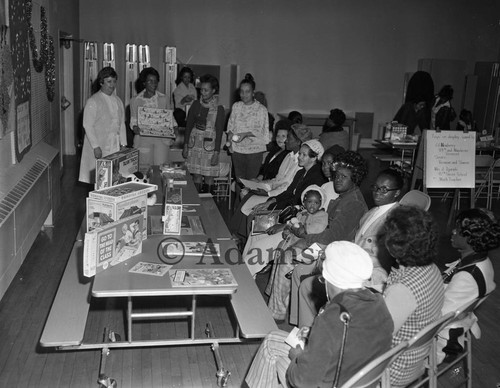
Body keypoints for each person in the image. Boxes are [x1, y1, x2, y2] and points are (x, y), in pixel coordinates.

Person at [245, 241, 394, 388]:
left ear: (330, 279)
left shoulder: (331, 317)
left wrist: (297, 357)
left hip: (325, 382)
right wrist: (314, 334)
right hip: (358, 380)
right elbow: (353, 338)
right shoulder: (379, 303)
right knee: (273, 338)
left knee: (270, 345)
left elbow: (302, 381)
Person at [294, 168, 404, 327]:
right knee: (302, 265)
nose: (378, 193)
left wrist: (339, 261)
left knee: (307, 282)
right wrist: (332, 252)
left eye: (384, 190)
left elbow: (381, 262)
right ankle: (307, 328)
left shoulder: (395, 220)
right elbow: (355, 240)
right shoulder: (373, 211)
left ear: (396, 193)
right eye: (376, 187)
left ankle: (311, 331)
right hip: (353, 261)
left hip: (367, 276)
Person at [285, 151, 369, 324]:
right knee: (293, 259)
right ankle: (298, 322)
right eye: (337, 175)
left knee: (299, 269)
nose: (338, 179)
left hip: (338, 251)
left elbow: (332, 236)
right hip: (329, 244)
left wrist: (304, 236)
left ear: (355, 179)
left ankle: (305, 327)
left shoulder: (353, 203)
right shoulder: (345, 197)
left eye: (344, 177)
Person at [242, 140, 327, 276]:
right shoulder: (301, 173)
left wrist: (283, 223)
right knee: (255, 230)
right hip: (286, 212)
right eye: (300, 153)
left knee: (259, 238)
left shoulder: (316, 177)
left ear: (314, 157)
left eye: (304, 155)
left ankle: (247, 273)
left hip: (293, 220)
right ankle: (246, 270)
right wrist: (270, 201)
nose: (299, 157)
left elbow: (305, 210)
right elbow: (288, 193)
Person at [382, 206, 444, 386]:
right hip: (416, 360)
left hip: (392, 370)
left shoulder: (403, 289)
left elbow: (376, 336)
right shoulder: (432, 269)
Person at [229, 123, 310, 243]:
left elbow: (286, 187)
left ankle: (242, 237)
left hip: (280, 197)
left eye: (289, 138)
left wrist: (268, 193)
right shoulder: (288, 156)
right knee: (246, 194)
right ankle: (239, 235)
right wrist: (261, 184)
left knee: (249, 201)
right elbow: (277, 179)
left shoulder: (300, 162)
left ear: (298, 142)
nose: (286, 140)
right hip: (274, 191)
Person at [437, 208, 500, 364]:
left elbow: (441, 317)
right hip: (451, 322)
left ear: (471, 238)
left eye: (458, 231)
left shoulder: (468, 276)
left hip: (441, 341)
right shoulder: (480, 260)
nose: (453, 232)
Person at [266, 185, 329, 320]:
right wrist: (288, 229)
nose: (313, 205)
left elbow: (312, 229)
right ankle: (274, 294)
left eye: (316, 202)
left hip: (309, 245)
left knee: (285, 261)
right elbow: (291, 225)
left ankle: (277, 311)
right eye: (309, 202)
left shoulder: (322, 216)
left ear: (321, 204)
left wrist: (298, 227)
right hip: (293, 242)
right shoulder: (301, 214)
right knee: (279, 253)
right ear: (304, 202)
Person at [79, 67, 127, 184]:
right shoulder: (93, 101)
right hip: (99, 146)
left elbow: (121, 124)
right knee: (99, 179)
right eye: (109, 81)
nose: (112, 85)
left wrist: (123, 143)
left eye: (114, 81)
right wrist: (96, 146)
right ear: (101, 82)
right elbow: (88, 125)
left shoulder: (118, 101)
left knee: (114, 177)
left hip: (114, 145)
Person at [182, 74, 225, 193]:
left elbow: (220, 132)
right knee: (196, 175)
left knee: (209, 176)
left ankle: (209, 205)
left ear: (214, 91)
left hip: (209, 146)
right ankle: (197, 203)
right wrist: (185, 145)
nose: (203, 92)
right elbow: (189, 126)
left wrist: (216, 153)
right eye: (201, 89)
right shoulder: (196, 104)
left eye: (206, 90)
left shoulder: (219, 108)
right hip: (195, 143)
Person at [227, 73, 270, 180]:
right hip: (237, 151)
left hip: (254, 152)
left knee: (251, 182)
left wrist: (245, 134)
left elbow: (261, 132)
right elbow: (230, 126)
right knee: (239, 181)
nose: (244, 94)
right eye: (241, 91)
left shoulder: (261, 109)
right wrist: (230, 138)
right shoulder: (236, 106)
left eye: (247, 92)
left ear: (253, 93)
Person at [130, 67, 170, 169]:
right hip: (143, 139)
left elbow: (170, 117)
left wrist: (175, 128)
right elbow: (133, 120)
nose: (154, 84)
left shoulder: (164, 98)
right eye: (150, 81)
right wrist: (135, 127)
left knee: (161, 169)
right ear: (144, 83)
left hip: (161, 139)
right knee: (145, 169)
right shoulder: (135, 100)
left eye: (156, 81)